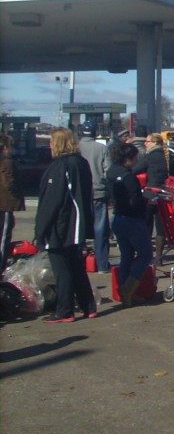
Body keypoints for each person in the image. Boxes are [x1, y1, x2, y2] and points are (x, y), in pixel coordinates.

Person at [33, 128, 97, 322]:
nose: (50, 145)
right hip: (77, 224)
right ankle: (88, 306)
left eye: (52, 142)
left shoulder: (60, 166)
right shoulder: (81, 163)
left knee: (62, 269)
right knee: (76, 266)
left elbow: (51, 202)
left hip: (62, 226)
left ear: (58, 143)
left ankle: (65, 310)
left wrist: (40, 230)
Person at [106, 142, 152, 307]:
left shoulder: (111, 172)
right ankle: (128, 288)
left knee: (126, 255)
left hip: (118, 218)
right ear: (129, 158)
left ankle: (125, 293)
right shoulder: (128, 176)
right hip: (132, 219)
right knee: (145, 254)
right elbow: (135, 200)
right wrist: (147, 202)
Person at [77, 122, 111, 273]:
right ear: (94, 132)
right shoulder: (102, 148)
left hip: (79, 194)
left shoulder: (75, 148)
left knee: (78, 228)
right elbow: (107, 172)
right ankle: (102, 265)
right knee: (100, 230)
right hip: (98, 192)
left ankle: (79, 263)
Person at [133, 132, 172, 264]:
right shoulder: (167, 155)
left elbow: (136, 169)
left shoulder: (150, 156)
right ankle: (159, 257)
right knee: (161, 227)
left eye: (148, 141)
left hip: (150, 193)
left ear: (155, 143)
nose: (145, 143)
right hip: (165, 193)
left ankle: (145, 254)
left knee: (146, 226)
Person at [0, 134, 25, 271]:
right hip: (4, 204)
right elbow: (9, 181)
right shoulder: (7, 161)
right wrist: (17, 195)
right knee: (3, 238)